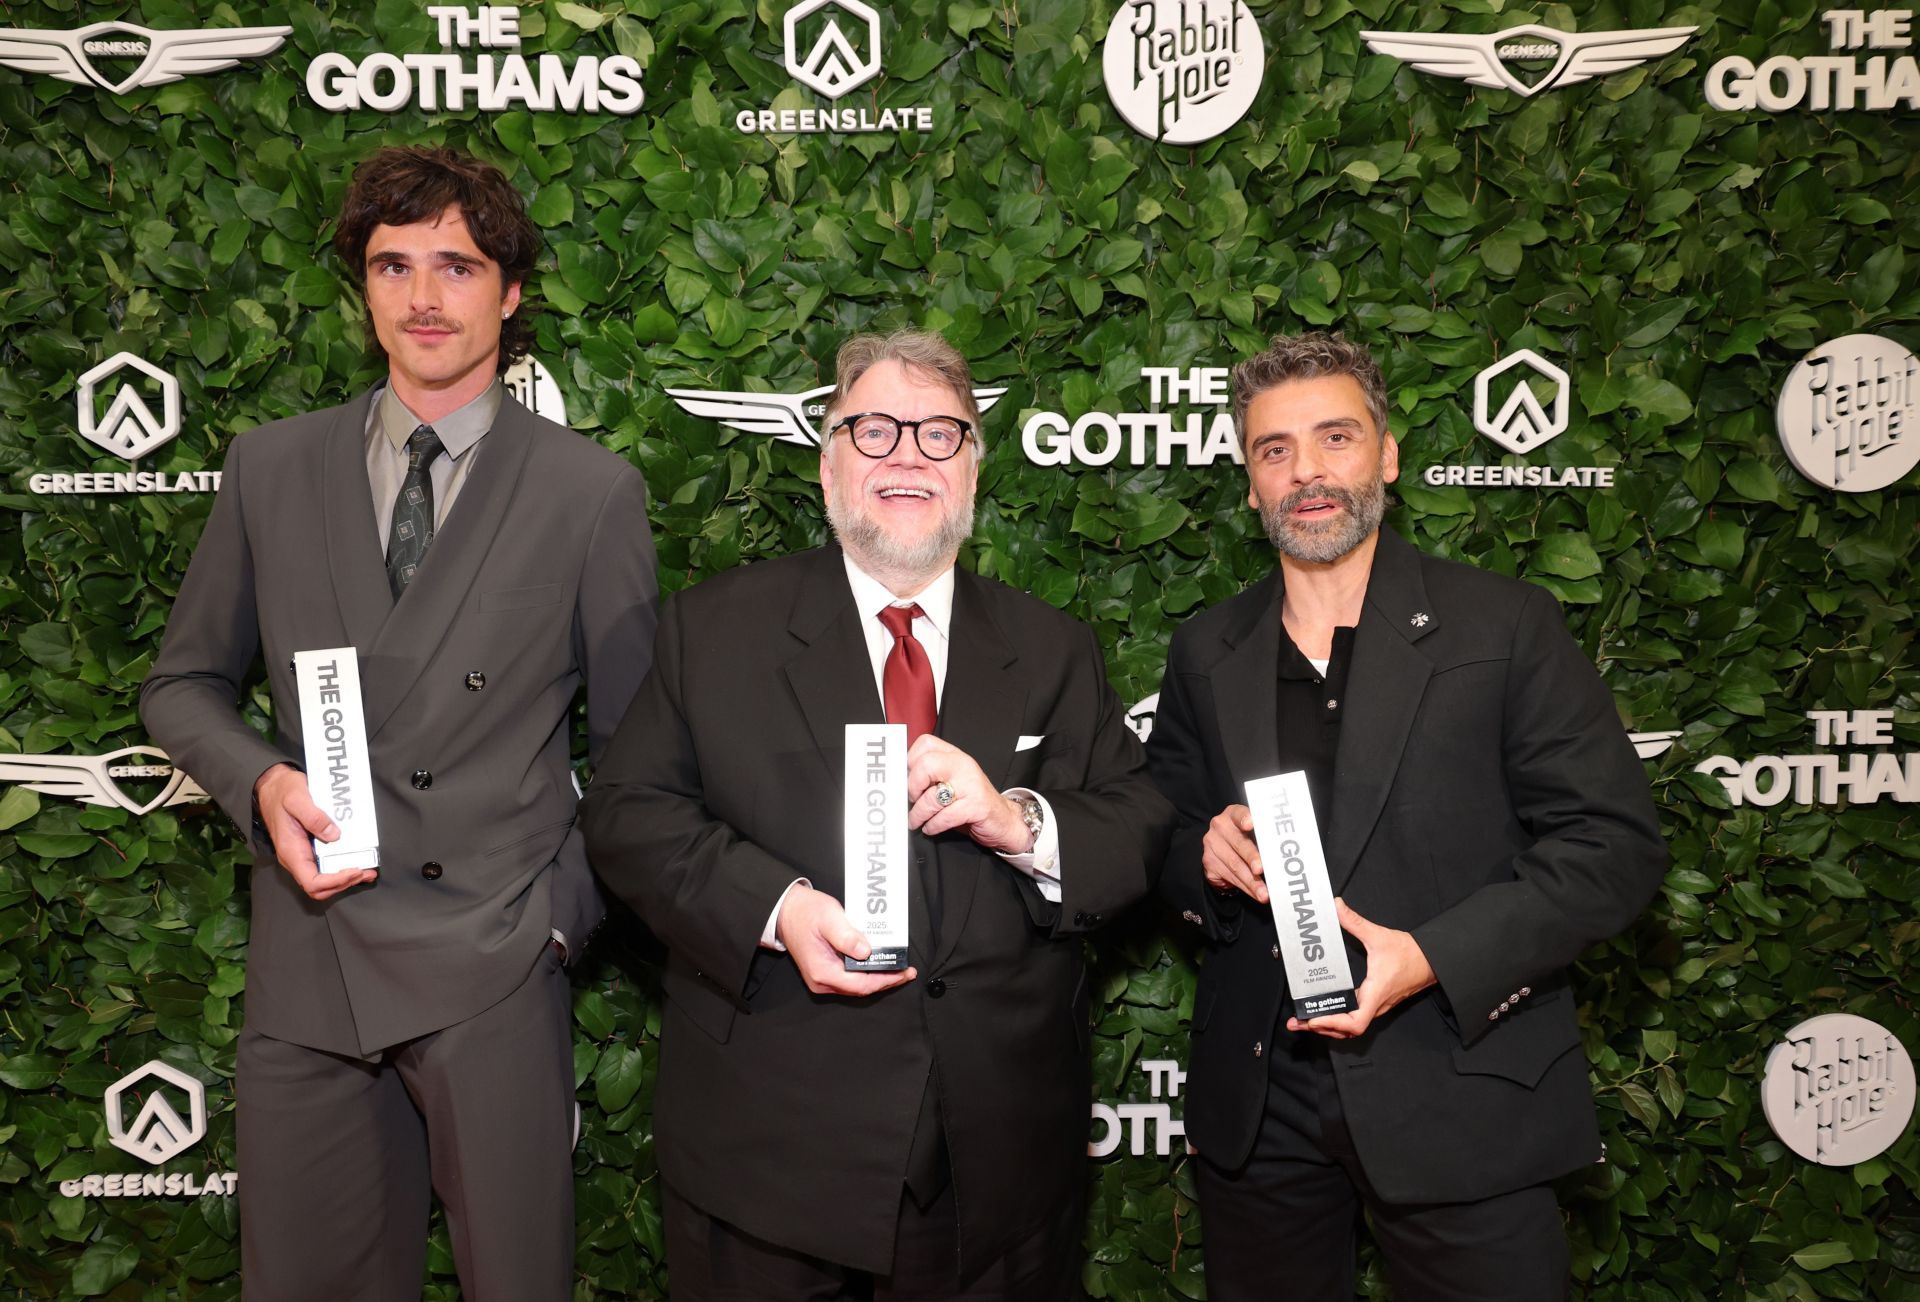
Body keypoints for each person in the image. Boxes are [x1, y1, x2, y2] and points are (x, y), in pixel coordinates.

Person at [140, 145, 657, 1302]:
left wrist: (553, 932)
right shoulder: (271, 469)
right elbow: (182, 686)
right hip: (311, 961)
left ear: (511, 292)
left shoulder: (590, 493)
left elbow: (634, 761)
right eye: (393, 265)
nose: (424, 297)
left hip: (493, 962)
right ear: (362, 287)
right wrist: (260, 783)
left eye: (458, 266)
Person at [579, 329, 1172, 1301]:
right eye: (875, 429)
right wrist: (773, 908)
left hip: (1001, 1176)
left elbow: (1141, 821)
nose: (907, 454)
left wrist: (1020, 820)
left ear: (975, 471)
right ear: (826, 466)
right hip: (770, 1165)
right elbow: (628, 818)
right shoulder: (714, 630)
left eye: (942, 434)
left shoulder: (1052, 647)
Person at [1147, 331, 1665, 1299]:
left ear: (1386, 455)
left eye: (1335, 438)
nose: (1307, 471)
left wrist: (1429, 958)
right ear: (1250, 485)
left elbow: (1613, 847)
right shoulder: (1206, 648)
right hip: (1262, 1111)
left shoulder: (1504, 627)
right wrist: (1203, 853)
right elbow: (1162, 835)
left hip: (1461, 1087)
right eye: (1274, 450)